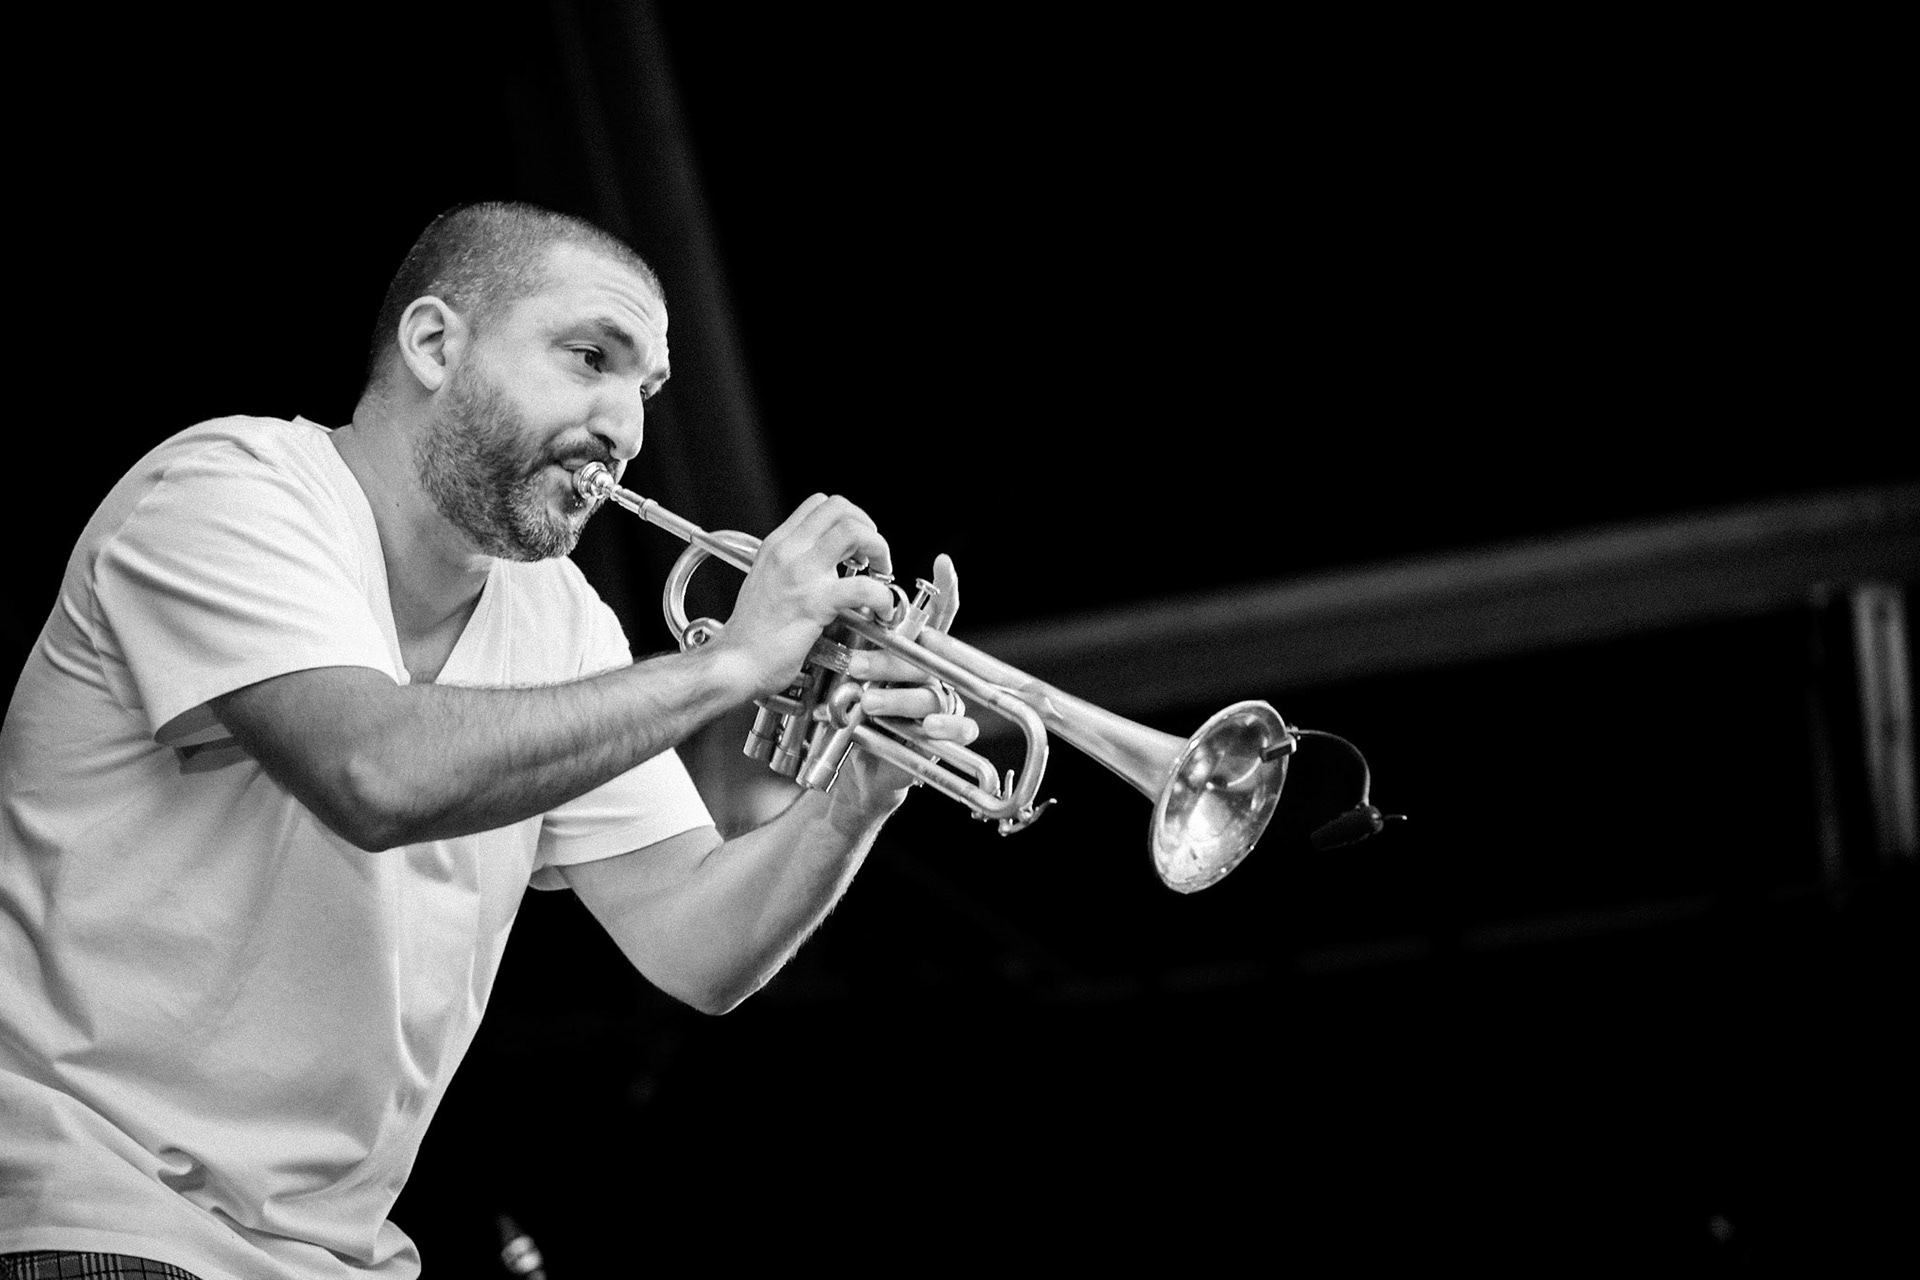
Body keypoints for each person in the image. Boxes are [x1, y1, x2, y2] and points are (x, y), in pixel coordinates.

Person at [0, 201, 976, 1279]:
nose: (625, 428)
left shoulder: (562, 620)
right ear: (433, 343)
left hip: (334, 1260)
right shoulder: (229, 490)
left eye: (646, 391)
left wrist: (856, 794)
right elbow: (376, 772)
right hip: (96, 1208)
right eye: (590, 358)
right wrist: (731, 664)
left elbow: (700, 948)